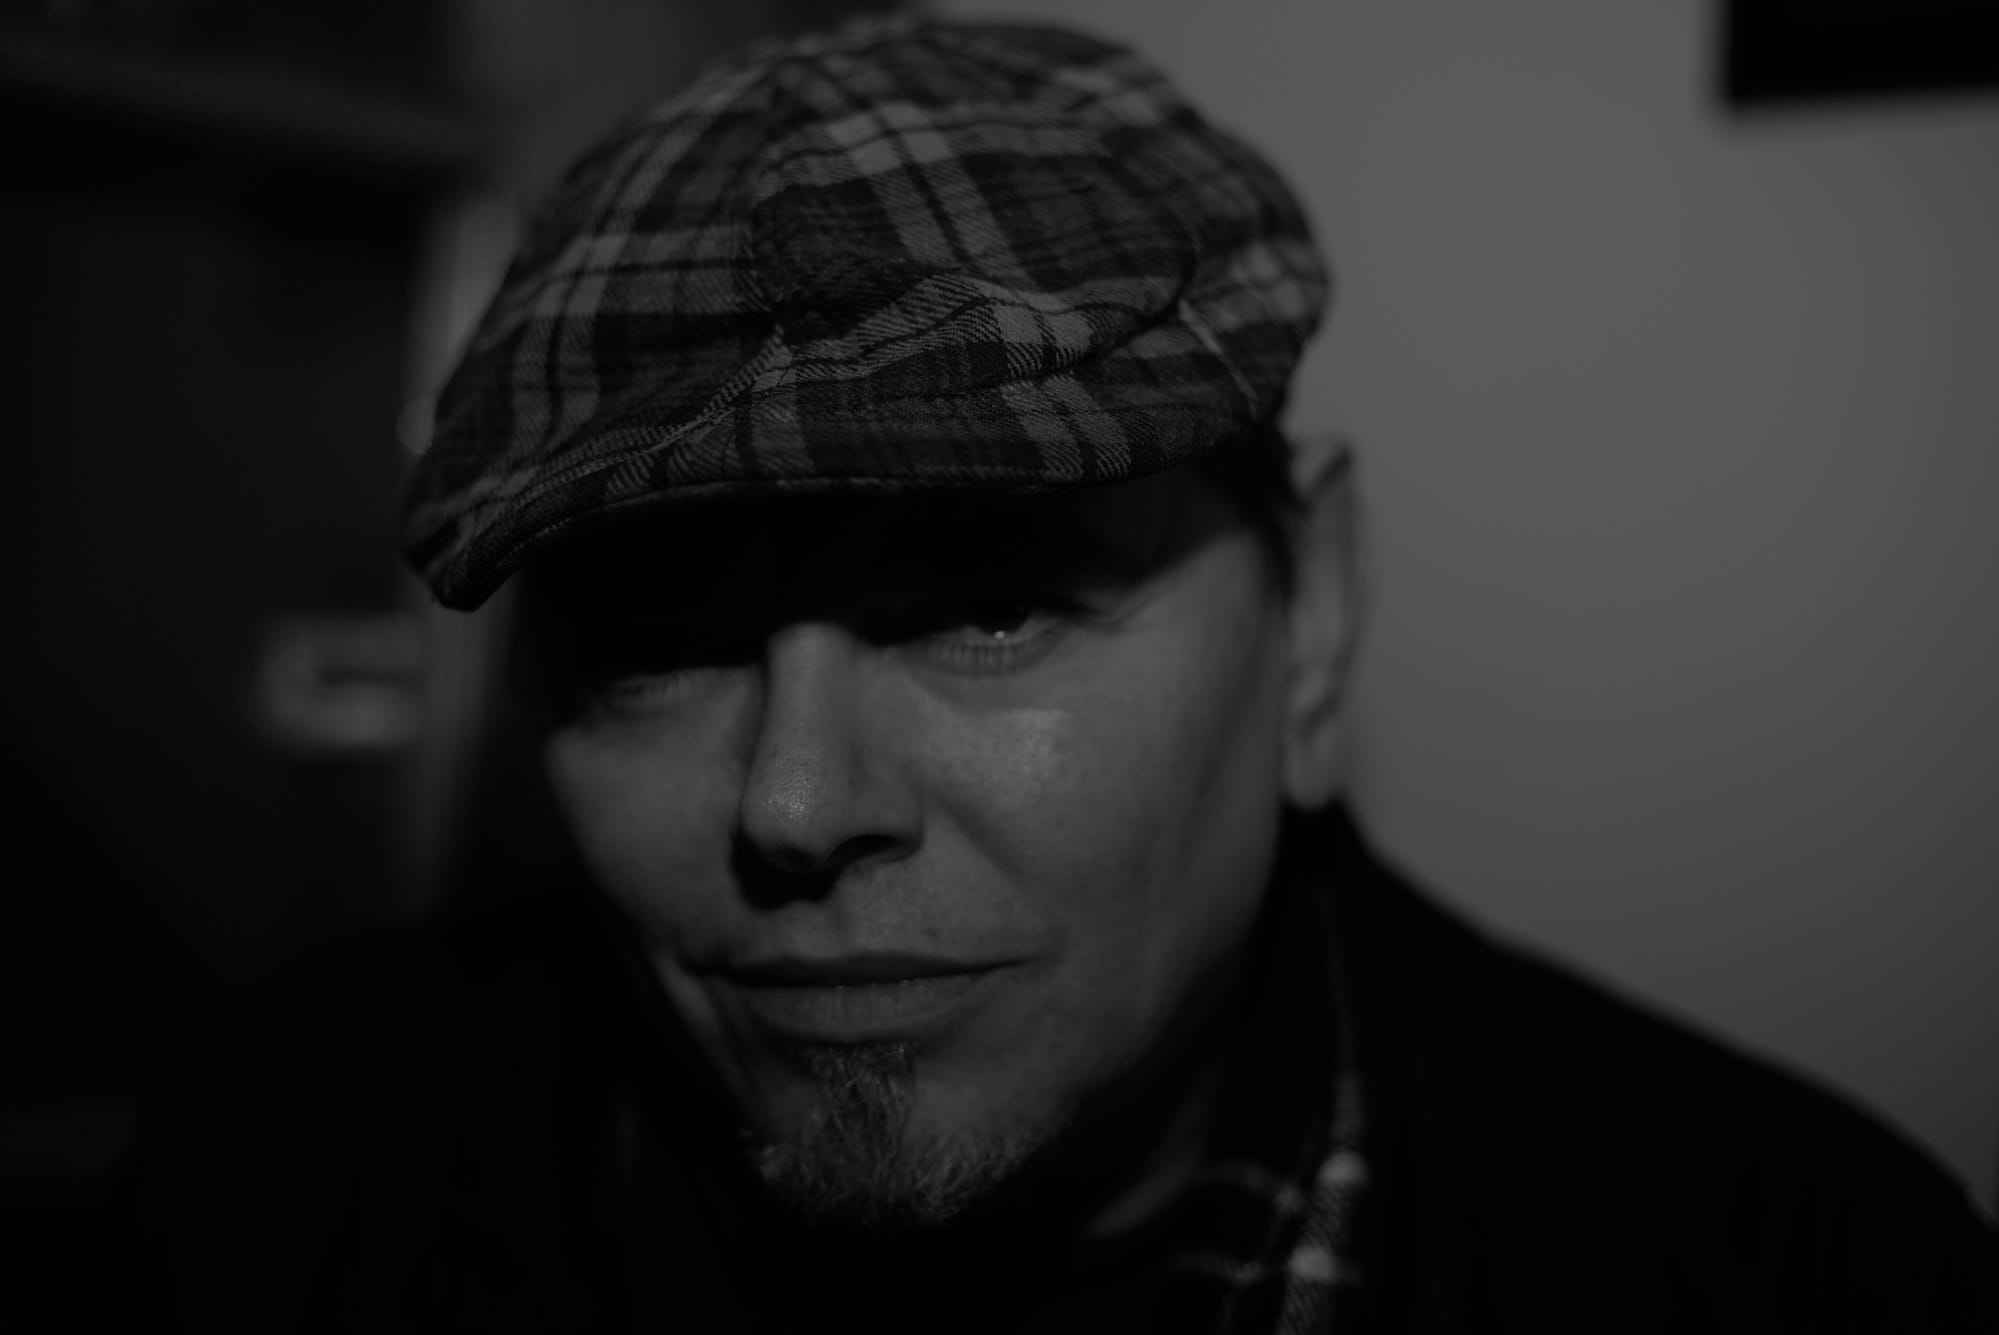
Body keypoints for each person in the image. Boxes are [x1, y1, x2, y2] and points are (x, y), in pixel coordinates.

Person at [116, 16, 1995, 1332]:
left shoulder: (1792, 1274)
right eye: (658, 642)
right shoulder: (272, 1192)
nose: (795, 804)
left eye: (990, 605)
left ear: (1314, 619)